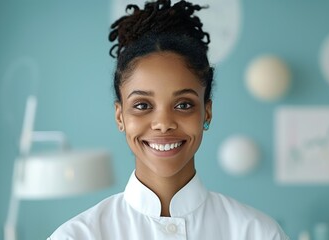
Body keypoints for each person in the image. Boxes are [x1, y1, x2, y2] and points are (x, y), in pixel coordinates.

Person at [48, 0, 289, 239]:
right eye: (142, 105)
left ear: (207, 112)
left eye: (183, 105)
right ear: (120, 116)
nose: (163, 123)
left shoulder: (258, 233)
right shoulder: (77, 236)